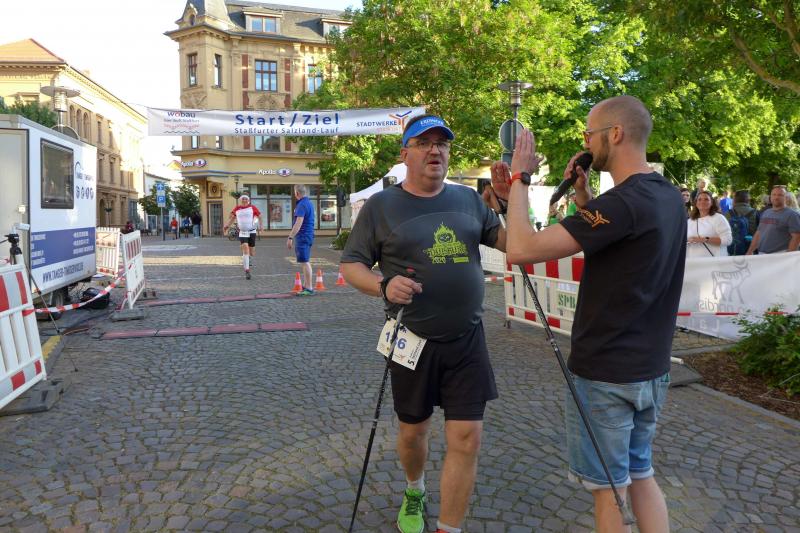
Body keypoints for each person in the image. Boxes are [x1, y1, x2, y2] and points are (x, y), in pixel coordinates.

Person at [492, 95, 684, 532]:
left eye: (589, 134)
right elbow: (623, 240)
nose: (585, 143)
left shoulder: (621, 203)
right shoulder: (665, 195)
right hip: (650, 367)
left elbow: (521, 249)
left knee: (609, 489)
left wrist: (521, 179)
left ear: (615, 134)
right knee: (640, 473)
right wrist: (583, 196)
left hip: (606, 370)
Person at [341, 114, 507, 533]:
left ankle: (448, 528)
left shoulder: (469, 200)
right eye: (425, 143)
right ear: (405, 154)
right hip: (411, 340)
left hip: (467, 337)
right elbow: (352, 265)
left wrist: (510, 201)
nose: (436, 150)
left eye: (442, 143)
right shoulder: (382, 206)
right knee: (413, 433)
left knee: (468, 435)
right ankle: (414, 489)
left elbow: (515, 246)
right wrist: (383, 285)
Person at [746, 185, 800, 254]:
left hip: (780, 254)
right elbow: (759, 233)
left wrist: (788, 256)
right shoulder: (766, 212)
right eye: (774, 195)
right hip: (762, 254)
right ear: (770, 197)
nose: (776, 197)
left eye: (780, 195)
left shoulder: (792, 214)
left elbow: (797, 237)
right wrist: (750, 251)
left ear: (785, 197)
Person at [287, 185, 316, 295]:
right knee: (305, 261)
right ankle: (306, 285)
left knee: (305, 262)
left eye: (294, 192)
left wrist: (290, 237)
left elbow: (298, 223)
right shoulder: (308, 203)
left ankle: (309, 288)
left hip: (303, 236)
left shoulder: (301, 205)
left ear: (297, 193)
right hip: (308, 235)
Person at [223, 195, 261, 280]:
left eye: (246, 199)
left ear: (248, 200)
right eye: (243, 199)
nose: (244, 200)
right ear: (241, 200)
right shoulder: (237, 208)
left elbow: (259, 216)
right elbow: (232, 218)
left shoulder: (252, 207)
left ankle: (248, 257)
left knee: (252, 252)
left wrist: (261, 226)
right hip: (243, 232)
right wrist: (227, 226)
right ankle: (247, 270)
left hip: (252, 231)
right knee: (245, 248)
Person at [686, 191, 732, 258]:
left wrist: (704, 239)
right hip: (693, 261)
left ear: (712, 203)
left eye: (706, 199)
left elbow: (728, 240)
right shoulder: (690, 221)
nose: (702, 202)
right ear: (696, 203)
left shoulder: (719, 218)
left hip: (714, 261)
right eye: (699, 199)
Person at [724, 190, 760, 255]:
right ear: (748, 200)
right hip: (750, 249)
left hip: (732, 249)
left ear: (734, 200)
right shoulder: (755, 213)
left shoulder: (727, 214)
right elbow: (760, 232)